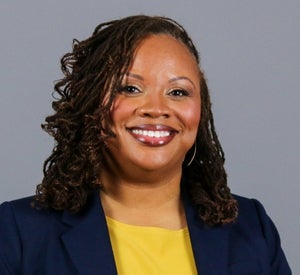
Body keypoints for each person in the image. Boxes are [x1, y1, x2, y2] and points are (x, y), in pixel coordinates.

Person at [0, 15, 291, 274]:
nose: (156, 108)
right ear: (90, 103)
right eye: (130, 88)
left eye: (178, 91)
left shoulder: (252, 228)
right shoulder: (19, 233)